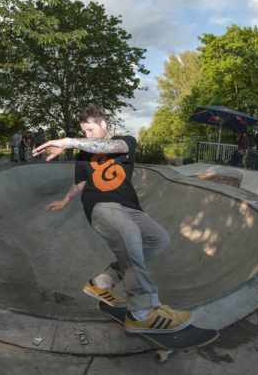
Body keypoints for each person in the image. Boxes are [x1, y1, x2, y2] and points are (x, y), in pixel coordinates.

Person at [32, 104, 193, 334]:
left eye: (89, 129)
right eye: (84, 132)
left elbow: (109, 146)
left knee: (159, 239)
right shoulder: (84, 154)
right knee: (129, 233)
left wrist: (69, 141)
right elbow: (80, 182)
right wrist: (65, 200)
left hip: (129, 205)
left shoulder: (125, 141)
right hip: (100, 205)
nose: (87, 136)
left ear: (103, 124)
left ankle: (103, 280)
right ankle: (142, 312)